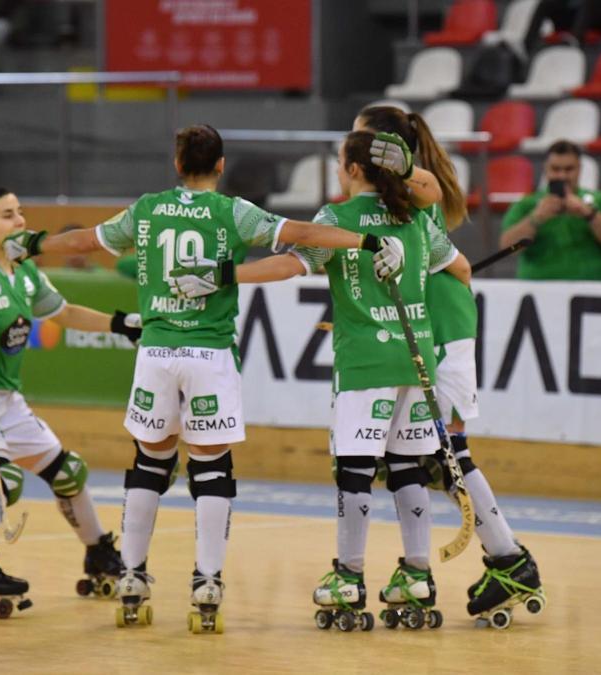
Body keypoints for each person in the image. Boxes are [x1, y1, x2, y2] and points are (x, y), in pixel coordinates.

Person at [1, 124, 403, 631]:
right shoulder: (232, 211)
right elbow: (302, 235)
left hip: (156, 351)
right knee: (212, 468)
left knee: (150, 462)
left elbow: (85, 241)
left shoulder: (146, 210)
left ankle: (132, 575)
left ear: (176, 163)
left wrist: (32, 243)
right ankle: (207, 580)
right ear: (220, 165)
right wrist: (367, 240)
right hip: (208, 353)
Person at [176, 130, 471, 631]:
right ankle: (417, 576)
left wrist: (224, 276)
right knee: (407, 469)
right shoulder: (418, 217)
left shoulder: (337, 218)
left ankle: (349, 577)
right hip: (418, 355)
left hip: (365, 363)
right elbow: (461, 268)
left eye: (340, 162)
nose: (338, 170)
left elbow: (291, 263)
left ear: (354, 170)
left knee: (355, 469)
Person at [356, 106, 546, 625]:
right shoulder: (393, 192)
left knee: (442, 454)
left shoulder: (411, 184)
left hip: (438, 332)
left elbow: (436, 212)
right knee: (420, 457)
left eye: (359, 137)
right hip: (433, 327)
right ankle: (446, 565)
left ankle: (507, 559)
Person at [0, 184, 142, 617]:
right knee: (1, 478)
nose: (21, 222)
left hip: (6, 400)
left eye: (20, 212)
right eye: (8, 215)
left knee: (68, 472)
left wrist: (122, 324)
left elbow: (63, 313)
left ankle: (98, 553)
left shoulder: (23, 269)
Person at [499, 140, 601, 280]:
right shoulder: (527, 204)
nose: (562, 176)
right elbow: (507, 248)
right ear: (546, 168)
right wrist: (535, 218)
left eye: (569, 169)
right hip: (538, 292)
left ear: (579, 169)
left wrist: (588, 214)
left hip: (592, 293)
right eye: (555, 169)